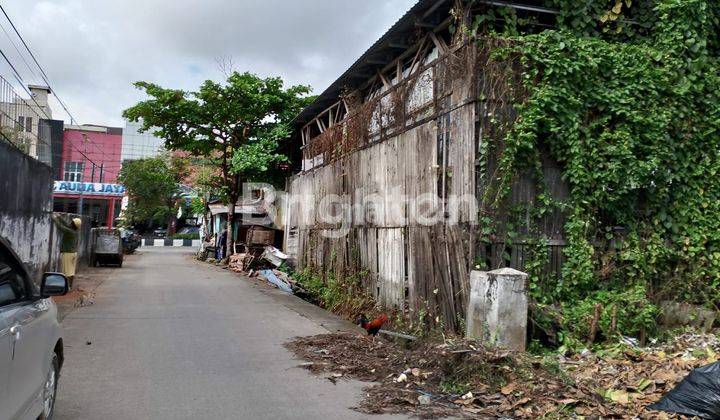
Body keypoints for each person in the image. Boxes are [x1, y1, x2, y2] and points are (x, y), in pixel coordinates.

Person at [53, 215, 81, 289]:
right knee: (71, 271)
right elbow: (66, 224)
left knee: (66, 271)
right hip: (73, 253)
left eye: (72, 222)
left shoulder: (70, 232)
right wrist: (59, 217)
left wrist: (55, 219)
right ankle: (70, 286)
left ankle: (66, 287)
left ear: (73, 224)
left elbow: (60, 227)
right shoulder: (74, 231)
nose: (70, 223)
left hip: (67, 253)